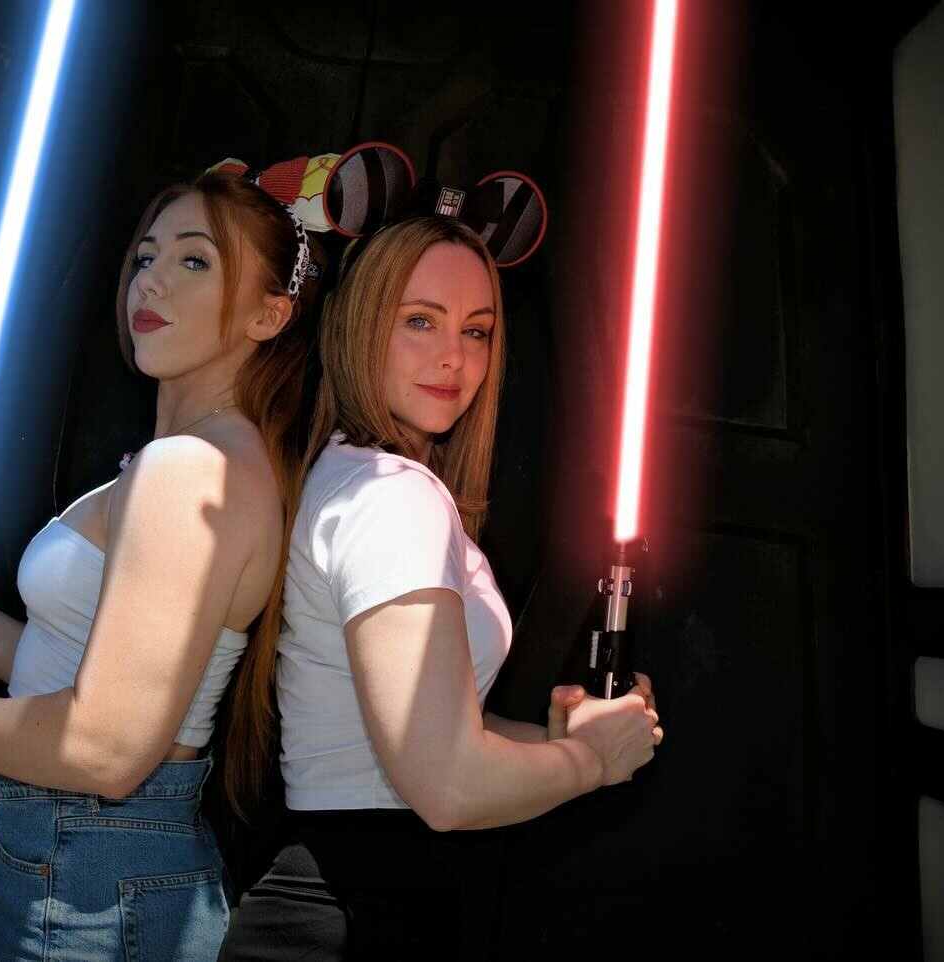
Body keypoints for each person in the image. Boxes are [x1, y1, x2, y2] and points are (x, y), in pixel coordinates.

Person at [0, 165, 324, 961]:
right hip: (90, 863)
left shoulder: (190, 471)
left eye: (194, 259)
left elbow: (105, 750)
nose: (151, 280)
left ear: (268, 313)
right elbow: (86, 678)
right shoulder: (194, 460)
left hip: (89, 872)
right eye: (146, 256)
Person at [217, 214, 663, 960]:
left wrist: (559, 739)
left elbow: (418, 737)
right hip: (357, 906)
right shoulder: (392, 495)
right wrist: (592, 763)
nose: (454, 356)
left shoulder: (351, 474)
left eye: (477, 330)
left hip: (346, 891)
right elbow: (447, 787)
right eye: (420, 321)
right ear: (360, 328)